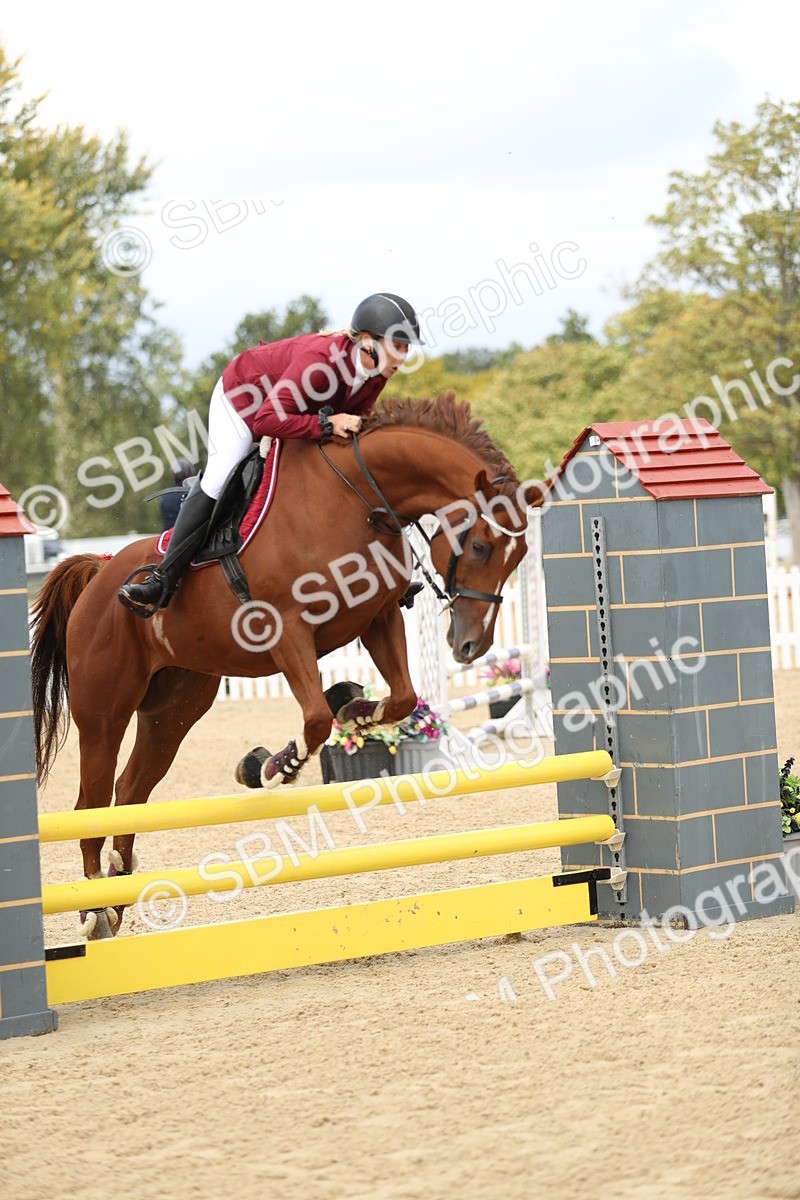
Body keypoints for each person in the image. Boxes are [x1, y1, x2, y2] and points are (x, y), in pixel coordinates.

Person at [118, 293, 422, 618]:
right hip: (244, 402)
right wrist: (327, 423)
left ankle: (383, 573)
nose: (402, 357)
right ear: (368, 342)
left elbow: (353, 420)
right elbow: (266, 420)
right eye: (398, 346)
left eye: (406, 348)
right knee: (221, 476)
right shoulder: (321, 362)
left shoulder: (376, 373)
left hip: (296, 413)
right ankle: (163, 578)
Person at [159, 458, 195, 533]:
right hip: (186, 536)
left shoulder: (165, 495)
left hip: (167, 537)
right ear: (189, 473)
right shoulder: (192, 492)